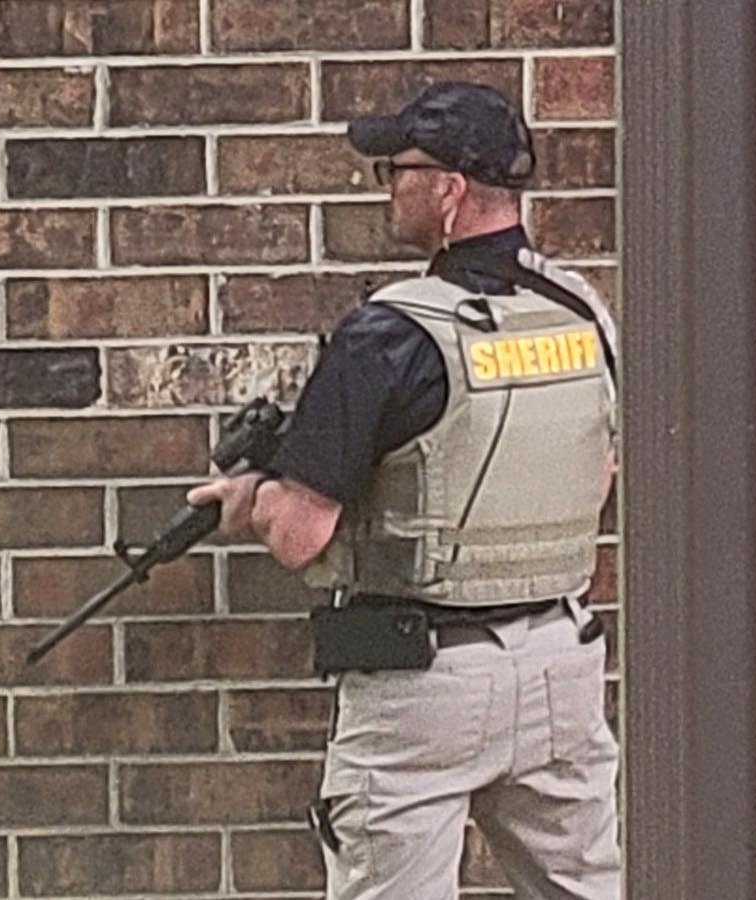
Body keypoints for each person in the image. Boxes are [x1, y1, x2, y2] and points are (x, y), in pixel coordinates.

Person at [188, 82, 621, 900]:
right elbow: (595, 474)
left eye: (397, 168)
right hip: (562, 666)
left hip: (426, 684)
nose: (386, 183)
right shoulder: (580, 311)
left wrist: (252, 500)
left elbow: (299, 536)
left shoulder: (389, 334)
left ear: (449, 189)